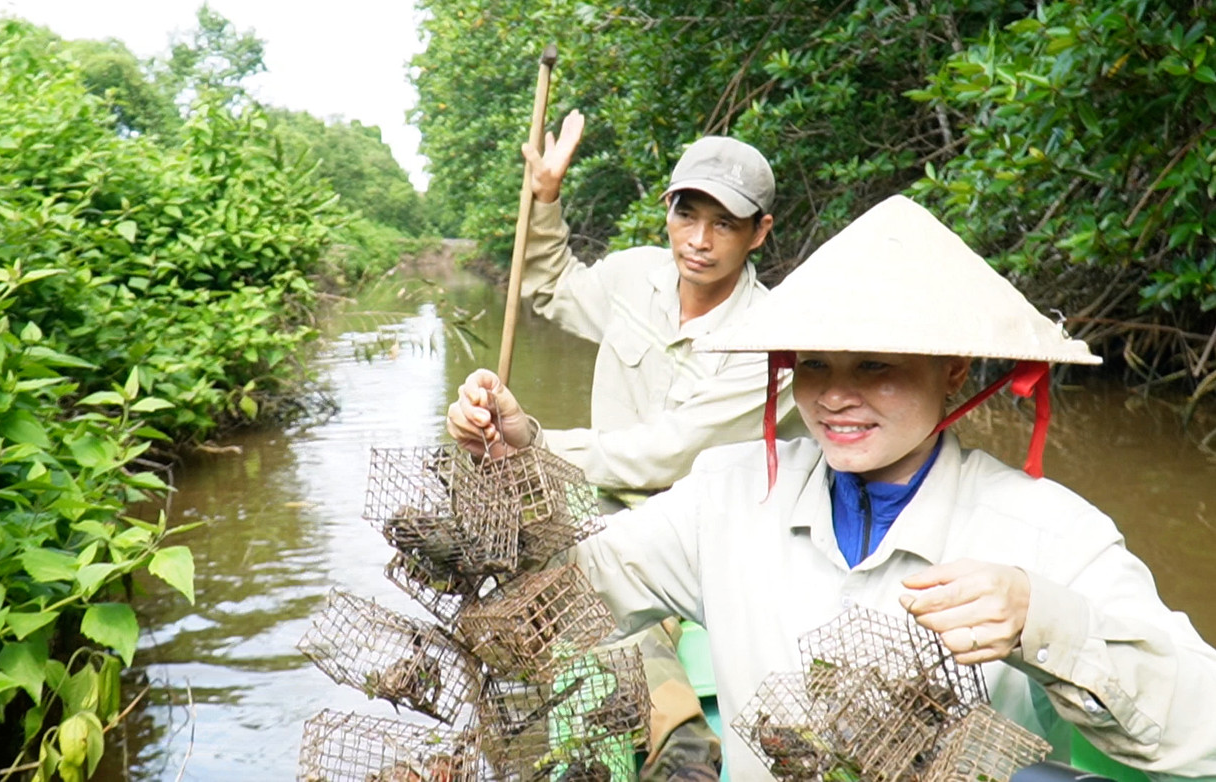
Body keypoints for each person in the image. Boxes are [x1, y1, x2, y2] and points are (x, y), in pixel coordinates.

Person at [449, 195, 1216, 779]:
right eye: (815, 364)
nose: (837, 396)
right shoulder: (728, 494)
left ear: (953, 371)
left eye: (876, 366)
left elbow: (1198, 727)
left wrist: (1042, 618)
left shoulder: (1048, 530)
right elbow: (575, 591)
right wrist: (519, 467)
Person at [451, 111, 795, 781]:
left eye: (724, 224)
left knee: (589, 599)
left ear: (760, 232)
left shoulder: (772, 336)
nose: (698, 241)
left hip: (716, 516)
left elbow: (668, 453)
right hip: (604, 504)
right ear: (667, 210)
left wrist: (532, 443)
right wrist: (545, 200)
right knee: (553, 589)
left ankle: (679, 738)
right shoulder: (635, 275)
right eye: (686, 214)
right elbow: (550, 286)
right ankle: (675, 726)